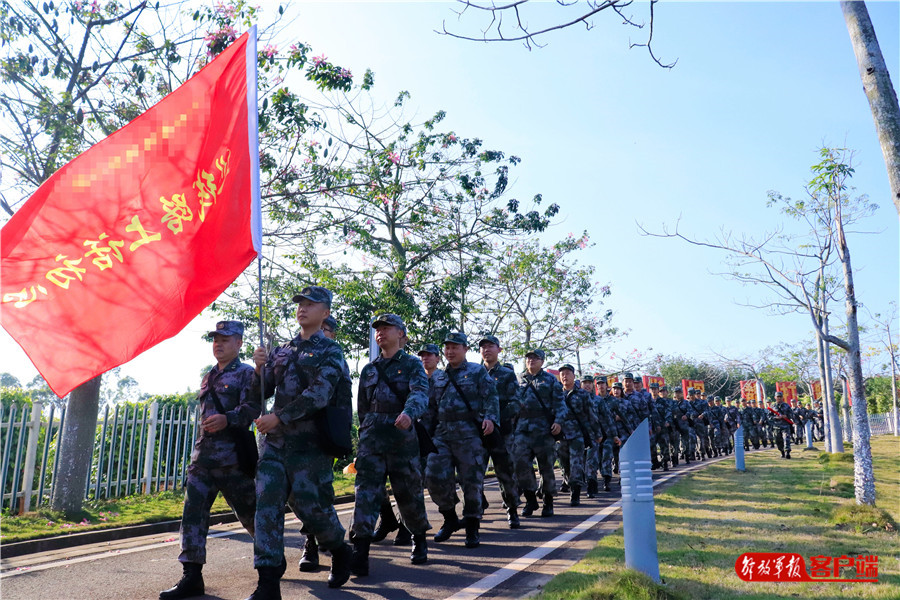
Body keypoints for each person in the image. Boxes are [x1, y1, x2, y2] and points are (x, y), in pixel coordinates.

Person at [248, 286, 354, 598]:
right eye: (300, 304)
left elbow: (320, 395)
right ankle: (268, 582)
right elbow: (262, 393)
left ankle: (338, 547)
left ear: (326, 312)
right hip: (275, 444)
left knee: (311, 507)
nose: (303, 309)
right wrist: (259, 370)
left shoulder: (331, 352)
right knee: (266, 504)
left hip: (311, 446)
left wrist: (279, 416)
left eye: (311, 304)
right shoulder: (282, 350)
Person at [160, 321, 260, 600]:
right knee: (193, 515)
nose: (218, 344)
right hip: (203, 459)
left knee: (251, 515)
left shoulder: (246, 374)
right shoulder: (208, 376)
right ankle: (191, 576)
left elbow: (254, 407)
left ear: (239, 343)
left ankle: (270, 564)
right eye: (215, 339)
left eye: (225, 339)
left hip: (232, 461)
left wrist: (228, 419)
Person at [349, 314, 430, 576]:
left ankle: (418, 537)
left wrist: (409, 413)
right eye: (378, 329)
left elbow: (419, 393)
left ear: (401, 334)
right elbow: (362, 406)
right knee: (365, 495)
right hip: (372, 440)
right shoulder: (369, 369)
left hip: (401, 439)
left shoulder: (412, 365)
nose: (381, 332)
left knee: (408, 494)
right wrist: (364, 434)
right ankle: (360, 551)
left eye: (387, 328)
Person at [423, 332, 499, 548]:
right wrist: (424, 436)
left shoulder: (476, 371)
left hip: (469, 434)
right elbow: (430, 409)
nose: (450, 351)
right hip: (442, 434)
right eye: (447, 347)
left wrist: (491, 419)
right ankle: (450, 519)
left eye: (455, 347)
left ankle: (473, 526)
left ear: (465, 349)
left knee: (471, 483)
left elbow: (490, 397)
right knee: (433, 476)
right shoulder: (437, 377)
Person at [297, 314, 352, 573]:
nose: (321, 333)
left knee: (319, 490)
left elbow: (341, 402)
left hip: (322, 435)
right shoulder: (296, 355)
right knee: (298, 493)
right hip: (295, 435)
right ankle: (314, 539)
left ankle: (320, 540)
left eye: (326, 329)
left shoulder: (336, 359)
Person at [513, 349, 567, 517]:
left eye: (535, 358)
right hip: (522, 429)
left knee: (546, 467)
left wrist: (558, 421)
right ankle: (530, 499)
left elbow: (560, 404)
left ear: (542, 361)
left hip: (544, 429)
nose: (531, 361)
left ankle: (548, 502)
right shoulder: (518, 379)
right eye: (528, 358)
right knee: (519, 464)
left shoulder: (550, 380)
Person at [477, 334, 522, 528]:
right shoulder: (473, 373)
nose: (487, 349)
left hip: (502, 432)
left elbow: (516, 402)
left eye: (491, 346)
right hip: (478, 431)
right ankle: (477, 506)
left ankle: (512, 510)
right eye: (483, 347)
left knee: (505, 472)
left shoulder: (506, 374)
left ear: (499, 350)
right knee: (472, 472)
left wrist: (496, 418)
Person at [557, 364, 597, 506]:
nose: (564, 376)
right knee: (564, 465)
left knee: (576, 463)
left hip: (577, 435)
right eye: (562, 374)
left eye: (568, 373)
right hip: (560, 437)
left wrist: (595, 434)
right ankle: (569, 481)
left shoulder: (583, 395)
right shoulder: (556, 394)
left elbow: (591, 416)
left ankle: (575, 492)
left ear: (574, 377)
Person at [585, 376, 620, 493]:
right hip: (591, 435)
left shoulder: (601, 400)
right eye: (598, 384)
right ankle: (591, 481)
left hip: (606, 433)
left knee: (606, 456)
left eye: (602, 383)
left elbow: (609, 418)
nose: (600, 386)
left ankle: (606, 480)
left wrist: (614, 434)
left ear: (606, 385)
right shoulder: (581, 398)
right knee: (593, 459)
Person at [670, 388, 695, 464]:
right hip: (675, 425)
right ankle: (674, 459)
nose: (677, 394)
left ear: (682, 393)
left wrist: (686, 415)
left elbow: (690, 411)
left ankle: (687, 456)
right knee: (674, 442)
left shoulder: (686, 403)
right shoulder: (672, 403)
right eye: (676, 392)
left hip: (684, 425)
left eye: (679, 392)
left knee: (685, 442)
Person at [773, 392, 794, 459]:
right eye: (778, 397)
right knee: (778, 440)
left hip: (785, 425)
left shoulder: (786, 406)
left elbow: (792, 414)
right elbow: (768, 416)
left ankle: (787, 452)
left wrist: (786, 416)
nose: (779, 398)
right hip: (776, 426)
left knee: (786, 439)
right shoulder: (772, 406)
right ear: (775, 397)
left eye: (780, 397)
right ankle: (782, 452)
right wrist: (776, 417)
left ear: (782, 397)